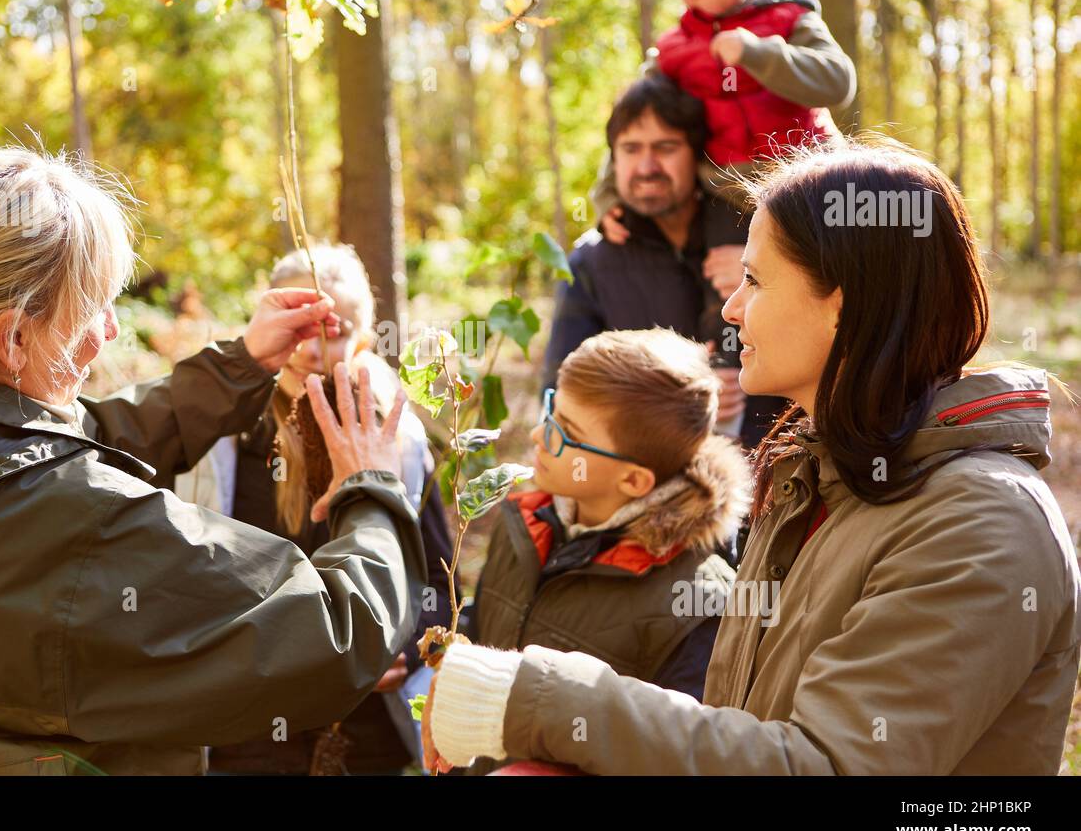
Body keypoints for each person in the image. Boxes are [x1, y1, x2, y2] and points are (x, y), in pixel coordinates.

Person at [423, 141, 1081, 775]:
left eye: (756, 280)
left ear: (841, 304)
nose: (732, 309)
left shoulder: (980, 523)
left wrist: (536, 698)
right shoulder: (820, 479)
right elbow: (742, 728)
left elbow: (829, 764)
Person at [0, 148, 427, 775]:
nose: (113, 330)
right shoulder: (81, 524)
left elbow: (68, 442)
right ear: (13, 338)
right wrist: (371, 487)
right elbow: (335, 634)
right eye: (94, 308)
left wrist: (239, 365)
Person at [174, 244, 455, 774]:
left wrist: (408, 652)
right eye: (299, 328)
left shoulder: (399, 440)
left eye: (336, 329)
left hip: (362, 728)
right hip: (250, 723)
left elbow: (440, 583)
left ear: (366, 340)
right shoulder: (223, 438)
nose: (313, 349)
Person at [462, 329, 749, 773]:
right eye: (550, 410)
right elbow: (486, 624)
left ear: (633, 481)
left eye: (564, 433)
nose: (539, 435)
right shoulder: (525, 521)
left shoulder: (698, 606)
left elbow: (674, 754)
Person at [544, 72, 784, 450]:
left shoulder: (765, 240)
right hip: (647, 491)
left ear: (698, 156)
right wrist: (679, 400)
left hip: (778, 482)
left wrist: (764, 276)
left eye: (665, 147)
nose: (646, 167)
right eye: (631, 149)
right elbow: (563, 399)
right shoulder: (589, 263)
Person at [593, 0, 856, 234]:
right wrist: (607, 195)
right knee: (728, 277)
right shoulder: (672, 53)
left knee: (832, 271)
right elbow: (630, 125)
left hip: (813, 180)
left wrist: (757, 53)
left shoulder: (790, 18)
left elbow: (839, 83)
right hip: (726, 196)